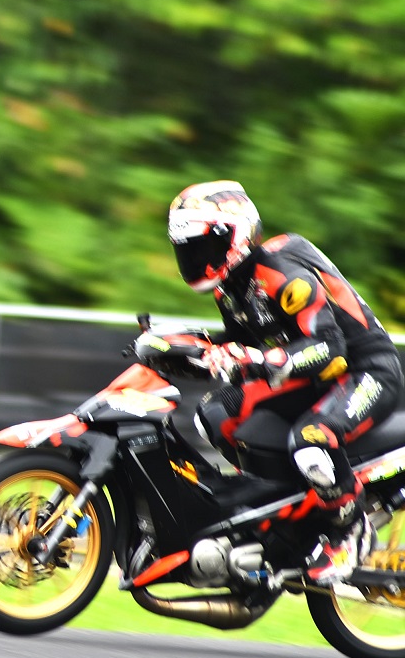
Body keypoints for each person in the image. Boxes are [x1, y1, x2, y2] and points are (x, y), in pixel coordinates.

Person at [167, 180, 403, 586]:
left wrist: (258, 359)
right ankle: (271, 508)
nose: (194, 257)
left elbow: (329, 348)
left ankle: (351, 530)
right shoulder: (230, 290)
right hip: (312, 377)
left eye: (204, 245)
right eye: (187, 248)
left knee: (311, 441)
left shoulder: (284, 275)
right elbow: (239, 345)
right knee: (215, 413)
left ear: (234, 237)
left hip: (365, 370)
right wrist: (179, 345)